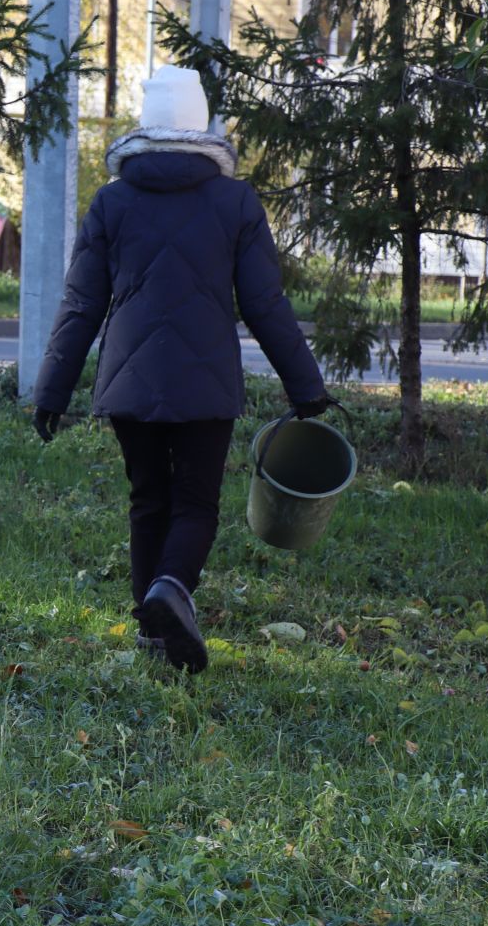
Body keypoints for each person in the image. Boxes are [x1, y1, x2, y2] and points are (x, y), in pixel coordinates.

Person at [31, 66, 329, 675]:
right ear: (201, 124)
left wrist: (51, 390)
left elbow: (81, 302)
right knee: (195, 502)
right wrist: (307, 388)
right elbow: (264, 303)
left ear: (146, 125)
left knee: (148, 500)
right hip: (206, 383)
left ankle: (152, 634)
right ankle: (172, 587)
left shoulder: (112, 201)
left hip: (129, 381)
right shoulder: (236, 201)